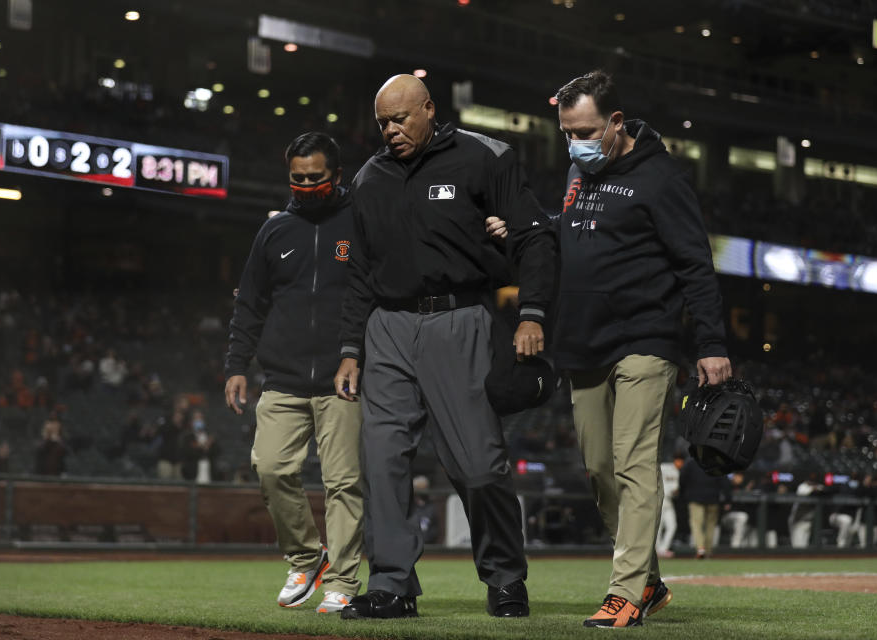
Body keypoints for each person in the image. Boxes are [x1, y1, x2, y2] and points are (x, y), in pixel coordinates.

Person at [486, 69, 731, 627]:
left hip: (646, 337)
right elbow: (573, 229)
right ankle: (647, 579)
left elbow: (695, 263)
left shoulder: (662, 179)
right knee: (599, 468)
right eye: (568, 130)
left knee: (634, 462)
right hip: (584, 340)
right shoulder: (579, 169)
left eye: (587, 130)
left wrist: (712, 343)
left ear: (617, 122)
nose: (577, 141)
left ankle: (624, 592)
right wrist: (525, 228)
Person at [334, 74, 556, 620]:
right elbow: (359, 273)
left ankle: (505, 578)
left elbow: (535, 237)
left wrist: (531, 313)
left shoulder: (485, 156)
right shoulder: (369, 178)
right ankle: (391, 584)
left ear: (429, 109)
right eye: (383, 121)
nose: (391, 130)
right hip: (386, 327)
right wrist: (349, 348)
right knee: (382, 461)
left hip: (459, 317)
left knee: (479, 465)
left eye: (401, 118)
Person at [224, 132, 364, 615]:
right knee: (271, 467)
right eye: (297, 179)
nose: (306, 186)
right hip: (281, 378)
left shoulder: (359, 222)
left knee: (344, 483)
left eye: (315, 178)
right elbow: (250, 303)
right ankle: (308, 556)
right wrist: (236, 365)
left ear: (337, 176)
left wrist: (357, 353)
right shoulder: (275, 230)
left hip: (341, 380)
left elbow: (368, 297)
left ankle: (344, 579)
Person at [680, 457, 731, 558]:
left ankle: (700, 549)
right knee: (710, 526)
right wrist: (727, 500)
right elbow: (725, 482)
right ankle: (707, 551)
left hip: (695, 498)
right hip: (713, 498)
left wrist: (683, 495)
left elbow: (682, 479)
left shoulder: (691, 463)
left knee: (696, 524)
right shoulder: (716, 462)